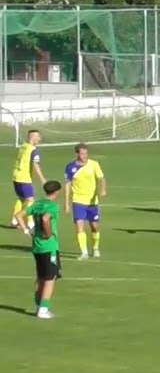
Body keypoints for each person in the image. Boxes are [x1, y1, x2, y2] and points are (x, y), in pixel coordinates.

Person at [64, 144, 106, 259]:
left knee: (94, 226)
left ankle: (96, 248)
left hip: (92, 201)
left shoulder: (94, 164)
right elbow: (67, 184)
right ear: (76, 154)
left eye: (86, 153)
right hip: (78, 201)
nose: (85, 156)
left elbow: (101, 178)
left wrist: (102, 189)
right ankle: (84, 252)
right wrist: (66, 203)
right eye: (82, 154)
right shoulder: (70, 167)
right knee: (79, 226)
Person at [29, 180, 62, 319]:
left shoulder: (37, 203)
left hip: (37, 246)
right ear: (57, 191)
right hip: (49, 246)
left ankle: (38, 306)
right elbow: (45, 218)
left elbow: (19, 215)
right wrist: (48, 234)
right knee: (51, 278)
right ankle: (43, 309)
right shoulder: (52, 206)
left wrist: (26, 229)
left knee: (41, 277)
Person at [11, 129, 45, 234]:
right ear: (33, 137)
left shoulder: (23, 146)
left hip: (16, 176)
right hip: (24, 178)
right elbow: (35, 165)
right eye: (38, 136)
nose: (39, 139)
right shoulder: (33, 149)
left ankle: (15, 220)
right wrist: (42, 178)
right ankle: (31, 223)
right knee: (31, 200)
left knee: (21, 199)